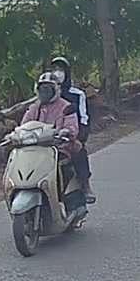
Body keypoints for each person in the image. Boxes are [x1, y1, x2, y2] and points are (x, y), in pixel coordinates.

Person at [24, 72, 85, 213]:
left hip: (58, 149)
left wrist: (66, 132)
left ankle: (71, 203)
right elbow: (24, 125)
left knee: (64, 170)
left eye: (48, 89)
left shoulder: (66, 107)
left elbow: (72, 127)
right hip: (35, 151)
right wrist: (15, 134)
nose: (45, 92)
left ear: (56, 89)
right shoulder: (34, 108)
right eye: (42, 89)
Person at [47, 57, 94, 203]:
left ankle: (85, 184)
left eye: (61, 70)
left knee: (79, 151)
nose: (57, 73)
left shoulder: (77, 94)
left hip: (69, 136)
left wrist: (79, 137)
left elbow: (84, 119)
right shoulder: (45, 94)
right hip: (46, 137)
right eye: (55, 69)